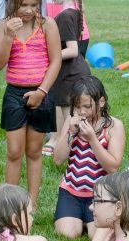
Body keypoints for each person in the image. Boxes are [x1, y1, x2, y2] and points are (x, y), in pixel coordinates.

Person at [0, 0, 61, 207]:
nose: (29, 10)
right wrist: (7, 36)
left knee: (34, 150)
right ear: (13, 4)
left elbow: (56, 60)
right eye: (23, 5)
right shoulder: (4, 25)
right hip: (14, 93)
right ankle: (10, 202)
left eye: (34, 4)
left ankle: (32, 202)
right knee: (14, 151)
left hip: (41, 91)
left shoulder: (47, 24)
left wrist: (41, 92)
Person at [52, 76, 124, 241]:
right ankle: (78, 219)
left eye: (87, 106)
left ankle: (87, 221)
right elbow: (57, 159)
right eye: (77, 107)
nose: (82, 112)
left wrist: (92, 139)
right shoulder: (72, 121)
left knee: (95, 236)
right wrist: (71, 133)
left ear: (101, 102)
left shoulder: (114, 126)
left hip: (100, 195)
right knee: (68, 234)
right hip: (71, 191)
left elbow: (113, 167)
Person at [43, 0, 91, 155]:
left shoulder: (65, 15)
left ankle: (80, 158)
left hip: (71, 75)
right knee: (75, 121)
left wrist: (47, 56)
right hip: (70, 72)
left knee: (73, 123)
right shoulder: (73, 12)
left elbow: (72, 50)